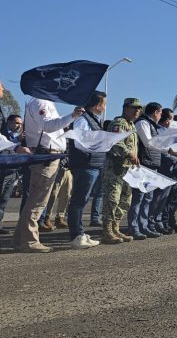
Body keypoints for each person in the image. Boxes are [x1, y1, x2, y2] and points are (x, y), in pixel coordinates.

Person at [12, 98, 83, 253]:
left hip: (49, 155)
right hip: (46, 155)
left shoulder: (44, 103)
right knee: (38, 200)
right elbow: (48, 126)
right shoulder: (41, 102)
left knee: (36, 199)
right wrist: (72, 116)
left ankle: (20, 238)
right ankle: (29, 241)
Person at [66, 91, 107, 249]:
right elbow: (80, 142)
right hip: (85, 164)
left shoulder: (94, 120)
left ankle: (80, 233)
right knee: (78, 200)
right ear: (97, 105)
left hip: (94, 164)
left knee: (83, 200)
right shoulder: (83, 119)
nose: (104, 107)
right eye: (103, 104)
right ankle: (76, 235)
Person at [100, 98, 141, 244]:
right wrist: (129, 154)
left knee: (125, 200)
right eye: (133, 108)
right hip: (115, 169)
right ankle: (107, 231)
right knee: (112, 200)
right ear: (125, 108)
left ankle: (115, 227)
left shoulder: (131, 126)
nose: (137, 111)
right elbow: (115, 142)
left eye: (139, 108)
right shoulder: (118, 123)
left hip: (127, 170)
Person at [130, 102, 166, 240]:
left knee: (148, 197)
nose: (161, 116)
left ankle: (143, 227)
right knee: (139, 197)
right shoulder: (143, 123)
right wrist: (166, 148)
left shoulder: (152, 125)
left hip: (152, 163)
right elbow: (148, 143)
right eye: (160, 113)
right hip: (144, 164)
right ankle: (134, 227)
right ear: (156, 112)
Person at [0, 113, 26, 233]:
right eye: (16, 123)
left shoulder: (18, 136)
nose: (18, 126)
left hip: (12, 171)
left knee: (4, 199)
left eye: (20, 124)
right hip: (2, 171)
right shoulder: (3, 134)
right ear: (9, 122)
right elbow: (6, 145)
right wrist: (17, 141)